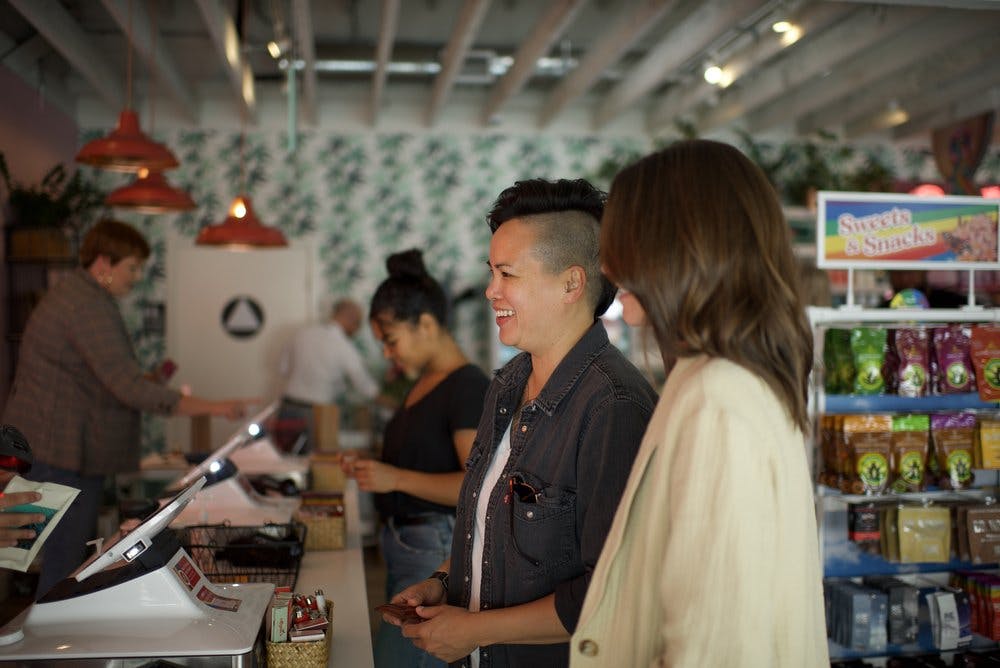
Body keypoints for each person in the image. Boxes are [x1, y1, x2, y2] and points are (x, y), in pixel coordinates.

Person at [570, 140, 828, 666]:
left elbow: (715, 646)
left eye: (622, 242)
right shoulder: (723, 379)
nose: (608, 264)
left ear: (677, 249)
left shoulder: (719, 400)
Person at [384, 179, 657, 667]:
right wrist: (442, 584)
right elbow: (486, 525)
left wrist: (474, 630)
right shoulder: (509, 382)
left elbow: (610, 591)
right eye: (491, 272)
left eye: (507, 274)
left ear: (572, 283)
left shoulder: (614, 404)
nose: (491, 291)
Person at [2, 219, 252, 596]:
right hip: (62, 454)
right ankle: (50, 654)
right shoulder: (86, 305)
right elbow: (127, 388)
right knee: (65, 569)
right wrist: (216, 407)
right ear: (104, 262)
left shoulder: (77, 297)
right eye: (132, 267)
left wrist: (144, 384)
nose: (135, 277)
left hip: (56, 450)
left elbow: (102, 381)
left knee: (64, 563)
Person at [345, 249, 489, 668]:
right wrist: (372, 463)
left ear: (426, 324)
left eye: (391, 341)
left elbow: (473, 486)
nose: (388, 354)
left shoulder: (467, 388)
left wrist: (395, 478)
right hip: (407, 546)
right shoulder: (424, 382)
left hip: (433, 548)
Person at [276, 298, 380, 452]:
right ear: (350, 319)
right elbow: (366, 388)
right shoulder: (343, 346)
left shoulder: (302, 334)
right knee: (312, 464)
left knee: (283, 463)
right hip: (317, 414)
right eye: (358, 323)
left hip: (287, 407)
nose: (357, 330)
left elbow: (282, 369)